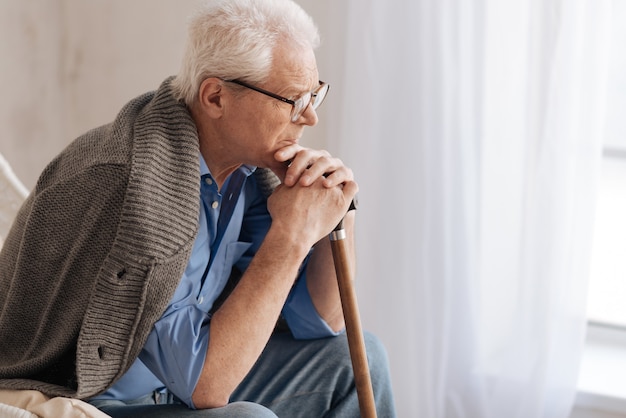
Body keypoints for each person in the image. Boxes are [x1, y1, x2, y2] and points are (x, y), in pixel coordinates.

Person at [0, 0, 396, 416]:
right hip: (98, 396)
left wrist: (339, 207)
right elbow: (206, 387)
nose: (311, 117)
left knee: (359, 356)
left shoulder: (245, 172)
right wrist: (293, 236)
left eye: (314, 94)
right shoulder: (136, 190)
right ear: (215, 97)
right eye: (293, 100)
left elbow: (321, 319)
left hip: (175, 383)